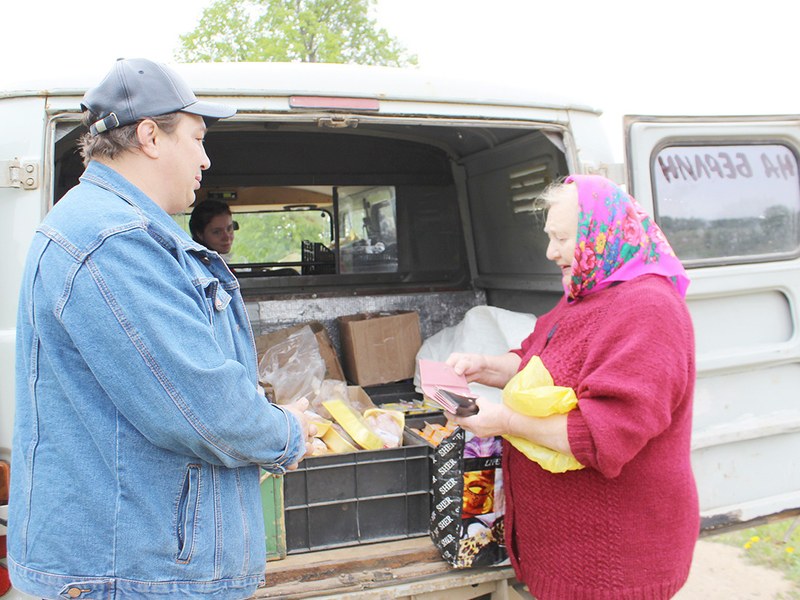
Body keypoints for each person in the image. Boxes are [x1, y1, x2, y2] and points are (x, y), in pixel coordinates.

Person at [8, 58, 314, 600]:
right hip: (132, 575)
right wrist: (288, 431)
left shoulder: (111, 228)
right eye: (197, 138)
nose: (206, 157)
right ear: (150, 136)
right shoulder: (113, 239)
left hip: (136, 565)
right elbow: (202, 407)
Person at [446, 174, 698, 600]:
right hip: (571, 555)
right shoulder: (587, 293)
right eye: (550, 237)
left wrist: (503, 420)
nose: (550, 252)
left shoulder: (649, 309)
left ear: (603, 234)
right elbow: (537, 362)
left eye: (562, 238)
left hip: (614, 563)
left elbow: (604, 434)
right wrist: (485, 366)